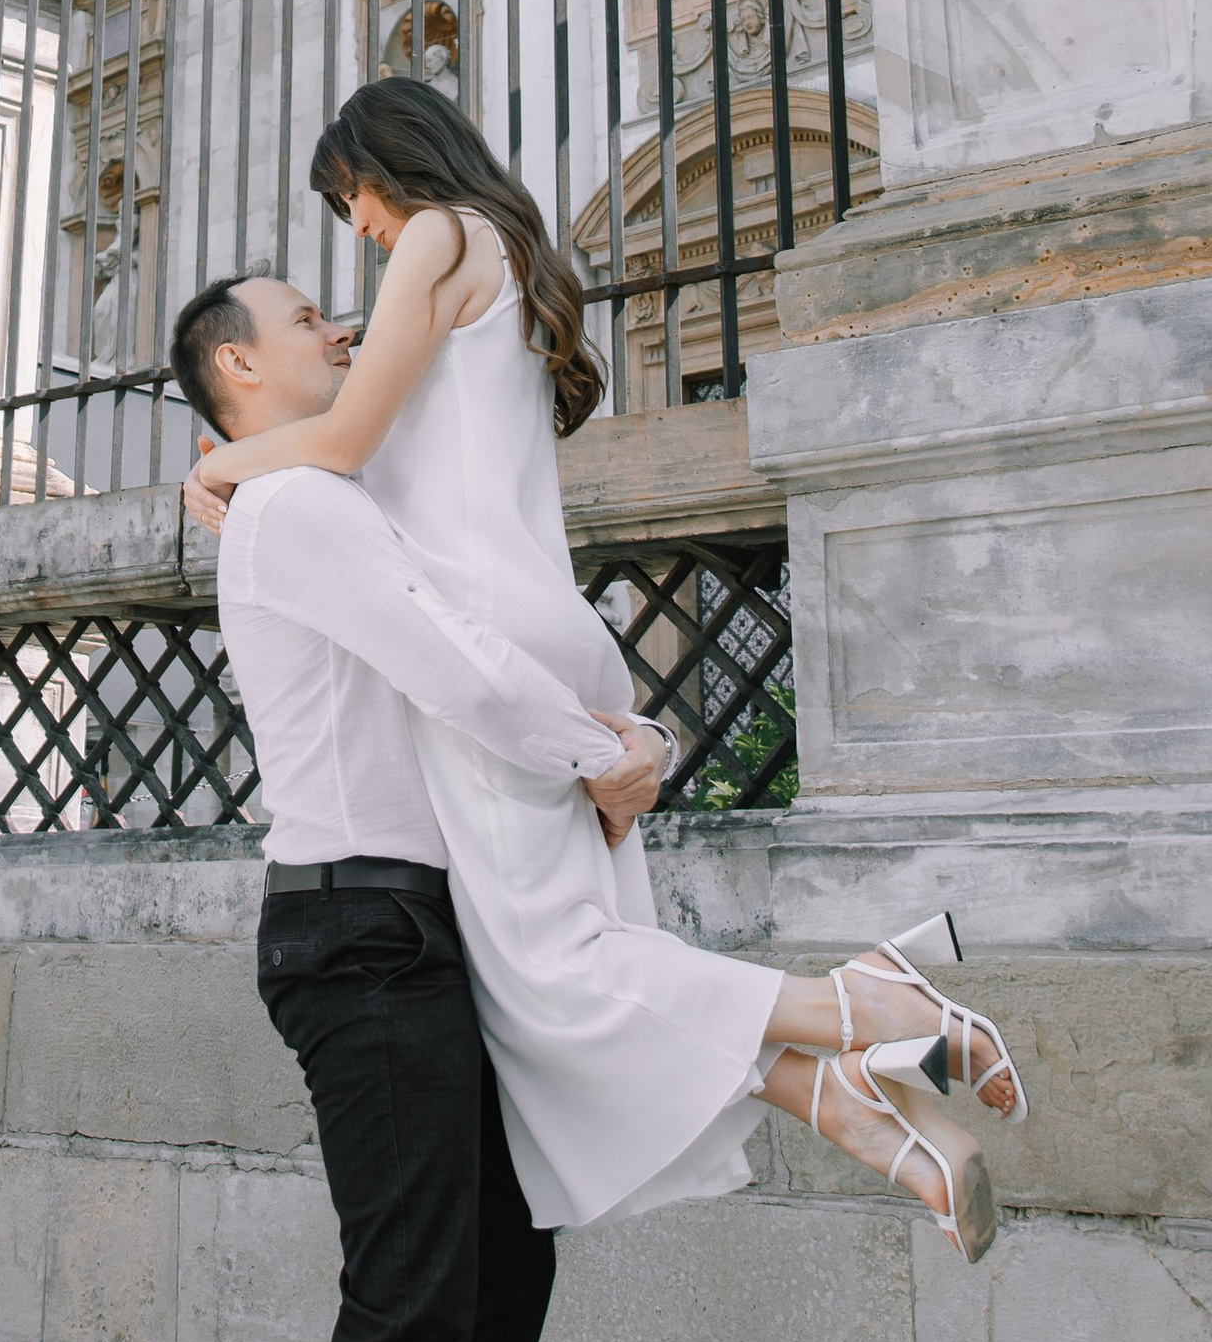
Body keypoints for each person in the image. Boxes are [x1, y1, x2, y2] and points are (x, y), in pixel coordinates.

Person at [188, 83, 1024, 1265]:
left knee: (557, 971)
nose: (362, 229)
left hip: (480, 640)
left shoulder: (438, 234)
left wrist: (220, 466)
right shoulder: (505, 254)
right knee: (552, 976)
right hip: (530, 625)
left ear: (391, 165)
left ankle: (875, 1008)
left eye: (352, 200)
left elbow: (342, 442)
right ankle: (846, 1098)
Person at [170, 263, 647, 1342]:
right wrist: (600, 748)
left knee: (501, 1276)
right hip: (360, 931)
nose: (341, 329)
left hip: (428, 924)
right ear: (240, 363)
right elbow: (447, 663)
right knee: (415, 1307)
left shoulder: (314, 490)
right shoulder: (295, 508)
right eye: (310, 315)